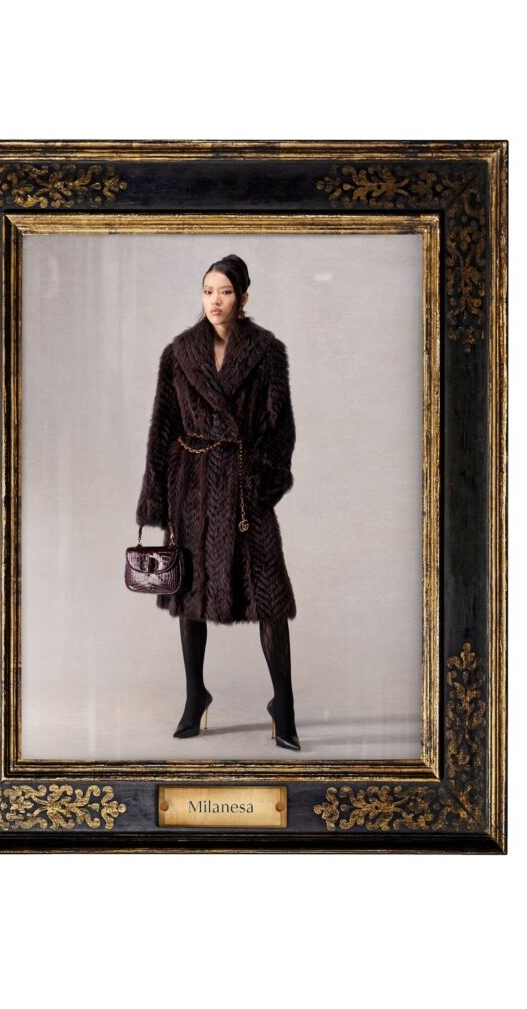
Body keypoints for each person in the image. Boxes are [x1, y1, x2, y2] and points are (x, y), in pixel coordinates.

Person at [135, 254, 300, 751]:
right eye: (208, 290)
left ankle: (284, 706)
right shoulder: (179, 353)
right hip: (193, 487)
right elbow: (162, 428)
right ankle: (195, 697)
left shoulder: (267, 352)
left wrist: (264, 482)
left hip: (245, 491)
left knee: (270, 600)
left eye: (225, 291)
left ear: (243, 297)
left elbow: (282, 428)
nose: (215, 300)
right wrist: (157, 499)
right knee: (190, 595)